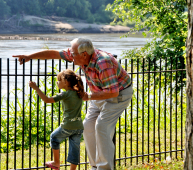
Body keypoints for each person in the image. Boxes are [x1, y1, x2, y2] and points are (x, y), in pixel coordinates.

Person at [13, 38, 133, 170]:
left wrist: (89, 96)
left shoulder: (103, 62)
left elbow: (113, 92)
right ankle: (95, 166)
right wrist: (29, 56)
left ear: (84, 54)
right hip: (99, 93)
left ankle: (104, 168)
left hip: (119, 94)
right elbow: (53, 54)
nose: (71, 55)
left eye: (73, 53)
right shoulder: (79, 54)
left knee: (102, 127)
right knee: (87, 127)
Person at [29, 69, 85, 170]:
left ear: (66, 82)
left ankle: (56, 162)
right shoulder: (79, 93)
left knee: (54, 137)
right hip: (79, 126)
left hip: (67, 125)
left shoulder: (65, 94)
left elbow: (46, 100)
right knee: (74, 149)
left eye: (59, 80)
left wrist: (35, 87)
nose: (57, 82)